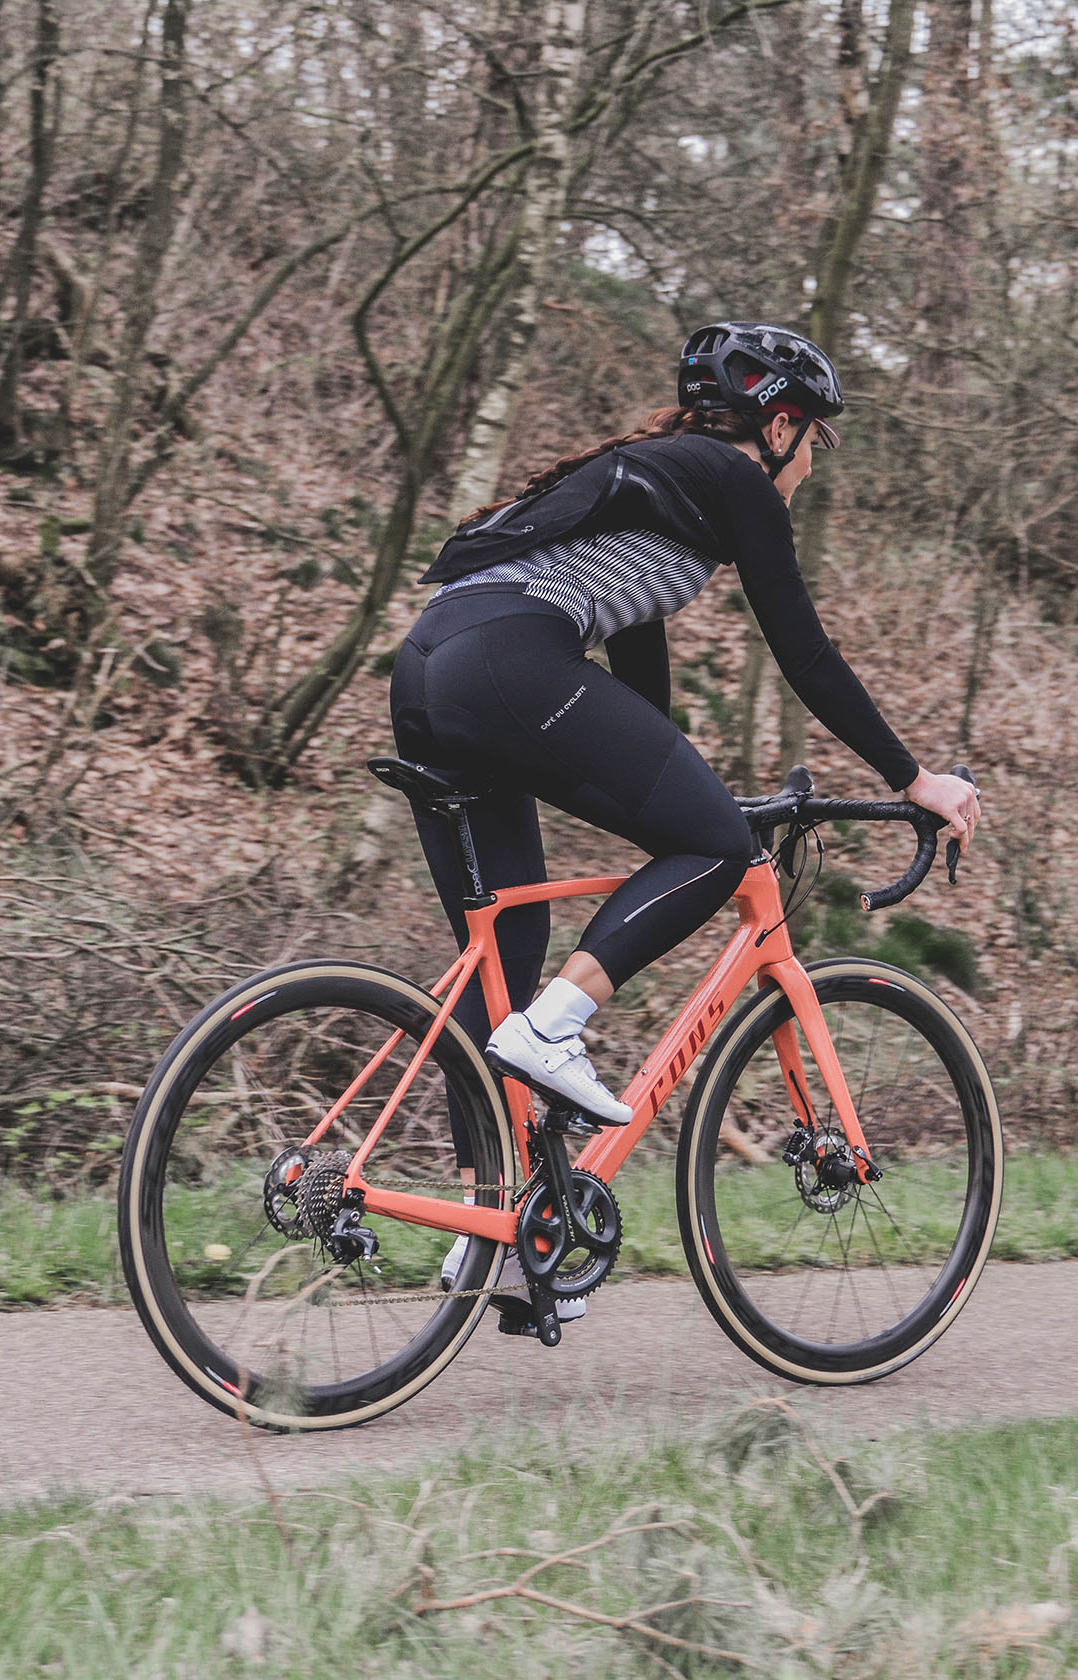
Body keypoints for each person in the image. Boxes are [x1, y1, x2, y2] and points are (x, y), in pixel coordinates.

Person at [387, 322, 981, 1318]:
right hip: (507, 661)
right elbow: (804, 650)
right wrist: (912, 776)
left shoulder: (657, 485)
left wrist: (679, 793)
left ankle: (497, 1228)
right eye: (815, 442)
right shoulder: (736, 480)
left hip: (428, 668)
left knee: (508, 949)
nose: (810, 466)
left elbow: (640, 696)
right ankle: (559, 1031)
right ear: (779, 426)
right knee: (712, 849)